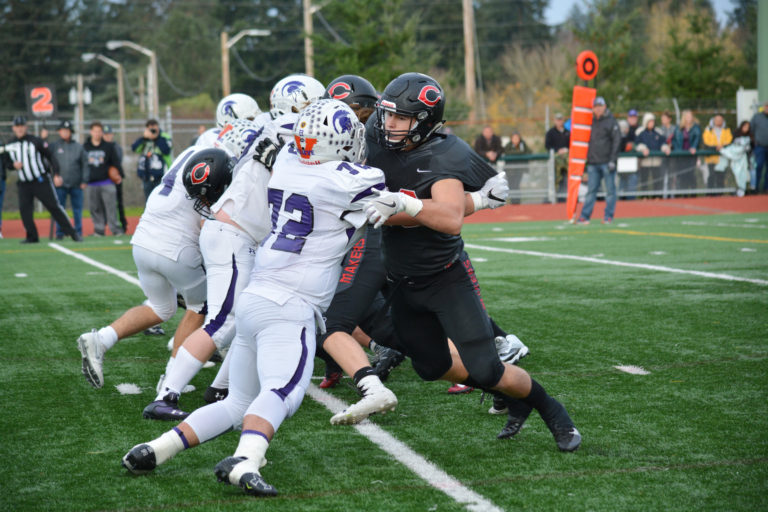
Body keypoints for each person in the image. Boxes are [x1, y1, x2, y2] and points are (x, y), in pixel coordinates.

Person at [122, 99, 387, 497]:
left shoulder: (287, 165)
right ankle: (246, 459)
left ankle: (156, 449)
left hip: (256, 297)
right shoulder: (344, 179)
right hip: (291, 303)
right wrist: (441, 201)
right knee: (282, 391)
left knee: (236, 402)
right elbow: (383, 193)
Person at [363, 72, 580, 450]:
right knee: (430, 367)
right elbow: (374, 209)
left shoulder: (443, 153)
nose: (389, 124)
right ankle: (512, 398)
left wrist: (408, 202)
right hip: (400, 280)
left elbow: (448, 219)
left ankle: (552, 411)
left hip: (445, 278)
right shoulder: (375, 135)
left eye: (401, 118)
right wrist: (475, 200)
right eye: (388, 114)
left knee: (486, 368)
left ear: (425, 121)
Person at [143, 119, 271, 420]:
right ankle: (166, 395)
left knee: (245, 319)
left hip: (232, 238)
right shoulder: (261, 150)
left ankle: (221, 388)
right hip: (233, 239)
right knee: (222, 323)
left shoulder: (248, 149)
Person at [76, 143, 210, 391]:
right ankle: (171, 381)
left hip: (144, 237)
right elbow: (207, 219)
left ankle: (101, 339)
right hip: (177, 243)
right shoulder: (219, 157)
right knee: (200, 307)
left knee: (162, 307)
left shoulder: (191, 149)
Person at [0, 115, 80, 243]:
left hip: (40, 180)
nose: (20, 129)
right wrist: (13, 165)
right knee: (25, 210)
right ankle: (32, 236)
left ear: (26, 127)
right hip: (24, 183)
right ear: (13, 128)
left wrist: (56, 174)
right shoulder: (10, 144)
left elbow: (50, 156)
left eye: (22, 126)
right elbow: (6, 163)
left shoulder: (35, 141)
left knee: (53, 206)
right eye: (17, 126)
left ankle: (72, 233)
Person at [576, 97, 621, 225]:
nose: (598, 108)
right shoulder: (590, 121)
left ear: (605, 106)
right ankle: (585, 216)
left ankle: (608, 216)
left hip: (607, 162)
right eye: (596, 106)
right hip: (593, 162)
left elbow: (617, 141)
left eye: (600, 106)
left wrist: (613, 159)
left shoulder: (611, 121)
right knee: (591, 191)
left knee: (610, 191)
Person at [48, 120, 88, 239]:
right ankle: (60, 232)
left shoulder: (78, 147)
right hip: (60, 184)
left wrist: (84, 180)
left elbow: (85, 164)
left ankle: (78, 232)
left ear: (71, 132)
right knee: (60, 210)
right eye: (63, 130)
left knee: (77, 210)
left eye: (67, 130)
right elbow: (47, 162)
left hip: (76, 184)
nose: (65, 132)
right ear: (59, 132)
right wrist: (54, 176)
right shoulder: (54, 146)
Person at [83, 122, 123, 236]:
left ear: (102, 133)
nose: (97, 134)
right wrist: (83, 179)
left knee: (111, 207)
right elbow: (82, 164)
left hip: (107, 182)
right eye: (95, 131)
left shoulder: (108, 147)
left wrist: (119, 175)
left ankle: (115, 229)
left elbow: (116, 162)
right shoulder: (85, 147)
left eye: (99, 131)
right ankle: (99, 230)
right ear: (91, 132)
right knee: (95, 208)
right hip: (91, 183)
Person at [132, 119, 173, 200]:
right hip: (147, 175)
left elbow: (166, 150)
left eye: (155, 128)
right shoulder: (145, 138)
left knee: (162, 200)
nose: (153, 131)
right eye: (150, 129)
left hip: (162, 175)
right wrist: (143, 138)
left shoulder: (164, 137)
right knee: (149, 200)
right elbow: (135, 148)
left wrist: (156, 138)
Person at [634, 112, 670, 193]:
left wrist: (665, 148)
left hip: (656, 161)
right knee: (644, 180)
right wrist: (643, 149)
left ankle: (657, 195)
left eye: (653, 121)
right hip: (645, 162)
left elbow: (663, 143)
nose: (651, 123)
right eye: (649, 121)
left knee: (657, 180)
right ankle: (644, 196)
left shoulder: (658, 132)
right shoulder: (640, 132)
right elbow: (637, 144)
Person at [103, 124, 128, 232]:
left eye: (109, 134)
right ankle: (102, 226)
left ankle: (122, 224)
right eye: (105, 134)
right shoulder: (101, 146)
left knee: (118, 202)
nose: (108, 136)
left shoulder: (116, 147)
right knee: (102, 204)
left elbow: (116, 163)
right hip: (104, 179)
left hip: (115, 178)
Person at [671, 109, 701, 195]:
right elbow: (674, 140)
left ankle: (693, 193)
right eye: (687, 116)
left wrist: (694, 147)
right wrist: (678, 150)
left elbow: (697, 139)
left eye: (690, 116)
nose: (689, 118)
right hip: (681, 155)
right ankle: (682, 194)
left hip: (691, 155)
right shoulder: (679, 127)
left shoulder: (696, 128)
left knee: (691, 174)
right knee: (681, 175)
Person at [702, 114, 733, 191]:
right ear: (713, 121)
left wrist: (722, 146)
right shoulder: (708, 129)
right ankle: (710, 192)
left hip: (722, 157)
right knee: (711, 175)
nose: (718, 122)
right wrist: (715, 147)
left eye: (720, 120)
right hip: (711, 157)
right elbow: (706, 141)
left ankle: (720, 192)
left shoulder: (726, 130)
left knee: (721, 176)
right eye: (717, 120)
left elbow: (729, 140)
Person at [545, 113, 570, 201]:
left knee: (567, 179)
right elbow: (547, 146)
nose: (559, 122)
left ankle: (568, 197)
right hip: (555, 161)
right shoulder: (550, 133)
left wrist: (566, 150)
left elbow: (571, 145)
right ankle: (553, 198)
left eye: (561, 119)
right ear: (555, 121)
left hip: (567, 161)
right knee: (555, 179)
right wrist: (557, 150)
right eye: (558, 120)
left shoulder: (567, 132)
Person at [750, 99, 768, 192]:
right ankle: (755, 188)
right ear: (764, 107)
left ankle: (766, 188)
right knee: (759, 166)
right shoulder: (757, 117)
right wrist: (755, 142)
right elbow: (751, 130)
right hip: (760, 146)